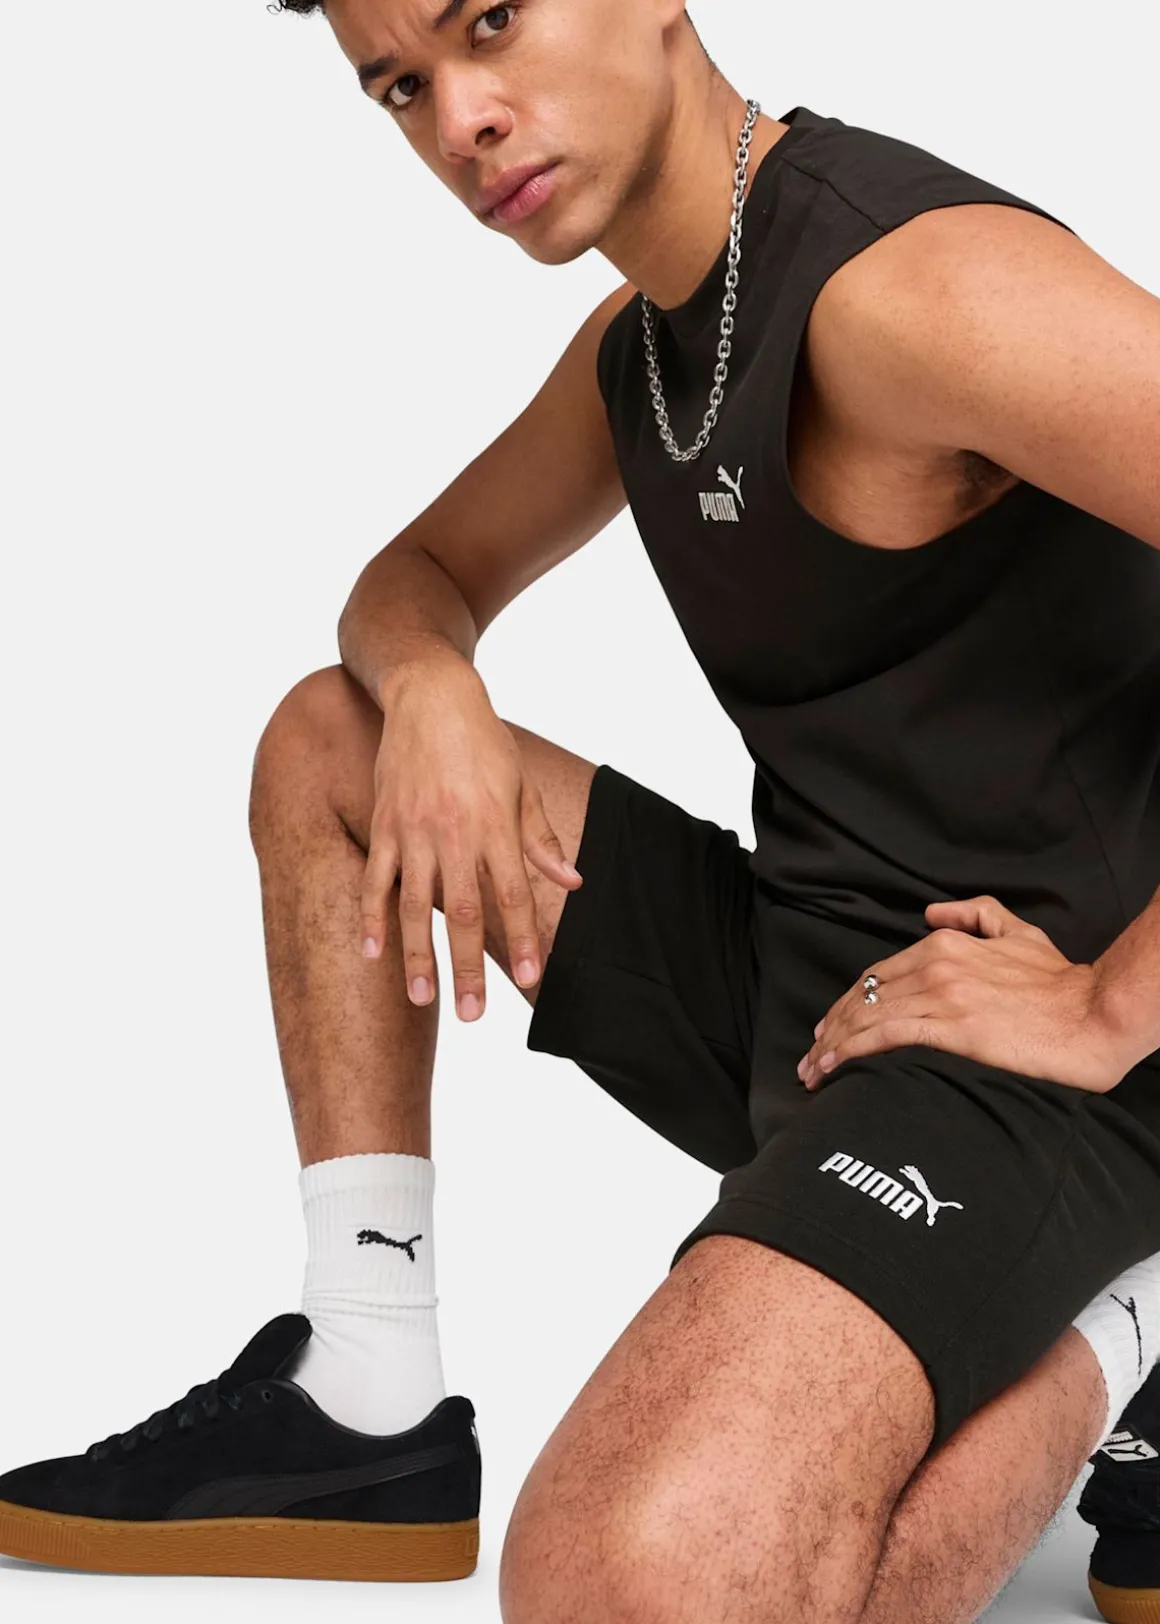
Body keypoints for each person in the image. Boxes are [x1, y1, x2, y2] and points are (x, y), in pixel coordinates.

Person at [1, 1, 1159, 1618]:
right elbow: (416, 577)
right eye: (400, 86)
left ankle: (1128, 1320)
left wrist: (1111, 1007)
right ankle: (368, 1377)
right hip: (827, 992)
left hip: (1046, 1062)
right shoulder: (654, 343)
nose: (460, 119)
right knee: (335, 744)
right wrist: (435, 687)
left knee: (628, 1586)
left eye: (492, 19)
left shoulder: (916, 290)